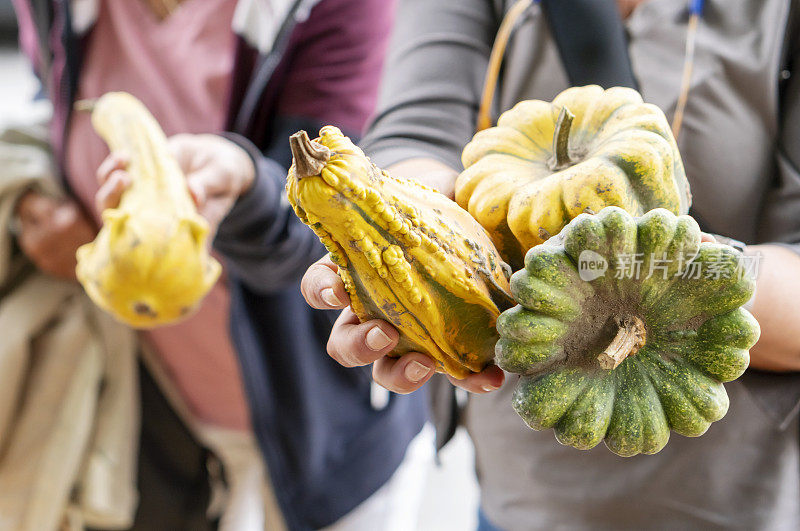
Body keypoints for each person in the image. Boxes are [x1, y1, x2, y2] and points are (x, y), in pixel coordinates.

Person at [302, 0, 800, 529]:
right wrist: (407, 241)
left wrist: (660, 266)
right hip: (521, 496)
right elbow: (418, 130)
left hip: (733, 498)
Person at [11, 0, 428, 529]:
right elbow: (50, 99)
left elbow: (341, 224)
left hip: (318, 432)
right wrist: (35, 201)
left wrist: (247, 190)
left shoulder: (339, 9)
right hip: (151, 423)